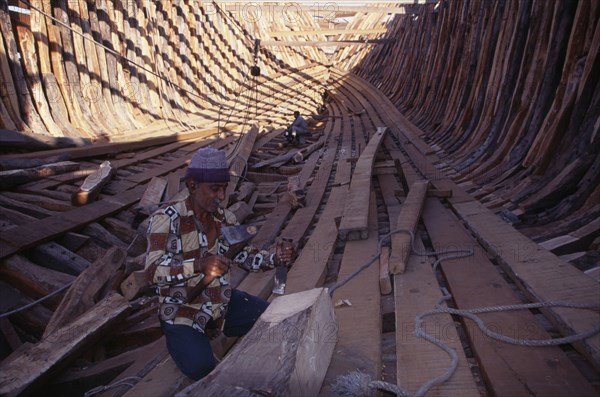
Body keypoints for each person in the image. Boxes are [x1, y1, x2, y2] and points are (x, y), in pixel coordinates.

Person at [144, 147, 294, 380]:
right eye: (215, 188)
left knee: (272, 318)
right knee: (200, 367)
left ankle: (214, 331)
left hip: (219, 302)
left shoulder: (226, 219)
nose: (222, 196)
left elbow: (244, 256)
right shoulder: (166, 220)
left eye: (224, 188)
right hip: (182, 309)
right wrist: (198, 265)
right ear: (193, 185)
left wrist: (274, 258)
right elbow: (153, 272)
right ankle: (180, 338)